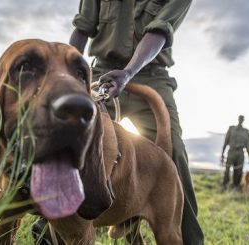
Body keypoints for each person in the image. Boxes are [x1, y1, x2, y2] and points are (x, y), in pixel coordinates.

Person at [69, 0, 204, 244]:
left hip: (152, 74)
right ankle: (49, 231)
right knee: (72, 137)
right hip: (103, 73)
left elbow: (159, 30)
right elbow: (82, 28)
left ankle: (189, 239)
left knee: (174, 151)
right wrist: (68, 75)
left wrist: (129, 72)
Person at [221, 115, 249, 189]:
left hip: (240, 153)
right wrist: (222, 154)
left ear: (243, 120)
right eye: (240, 118)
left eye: (242, 119)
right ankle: (225, 185)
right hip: (231, 151)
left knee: (238, 171)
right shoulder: (231, 129)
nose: (241, 120)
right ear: (238, 119)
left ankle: (235, 186)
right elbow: (226, 141)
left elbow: (248, 146)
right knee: (227, 169)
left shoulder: (246, 131)